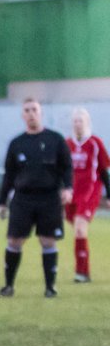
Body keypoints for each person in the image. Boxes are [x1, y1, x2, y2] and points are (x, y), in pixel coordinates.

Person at [0, 98, 73, 298]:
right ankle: (8, 286)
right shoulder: (17, 143)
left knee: (48, 241)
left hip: (49, 198)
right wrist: (1, 201)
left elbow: (67, 168)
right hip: (22, 199)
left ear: (41, 113)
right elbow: (9, 175)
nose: (31, 113)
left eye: (34, 110)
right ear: (23, 115)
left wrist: (68, 188)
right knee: (14, 240)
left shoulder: (55, 139)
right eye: (27, 110)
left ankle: (50, 287)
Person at [65, 108, 110, 283]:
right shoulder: (67, 144)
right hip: (71, 193)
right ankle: (82, 270)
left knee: (79, 228)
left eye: (80, 121)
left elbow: (104, 171)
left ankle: (82, 272)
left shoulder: (95, 143)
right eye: (75, 121)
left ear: (87, 123)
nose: (77, 124)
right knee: (76, 228)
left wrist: (109, 195)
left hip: (90, 192)